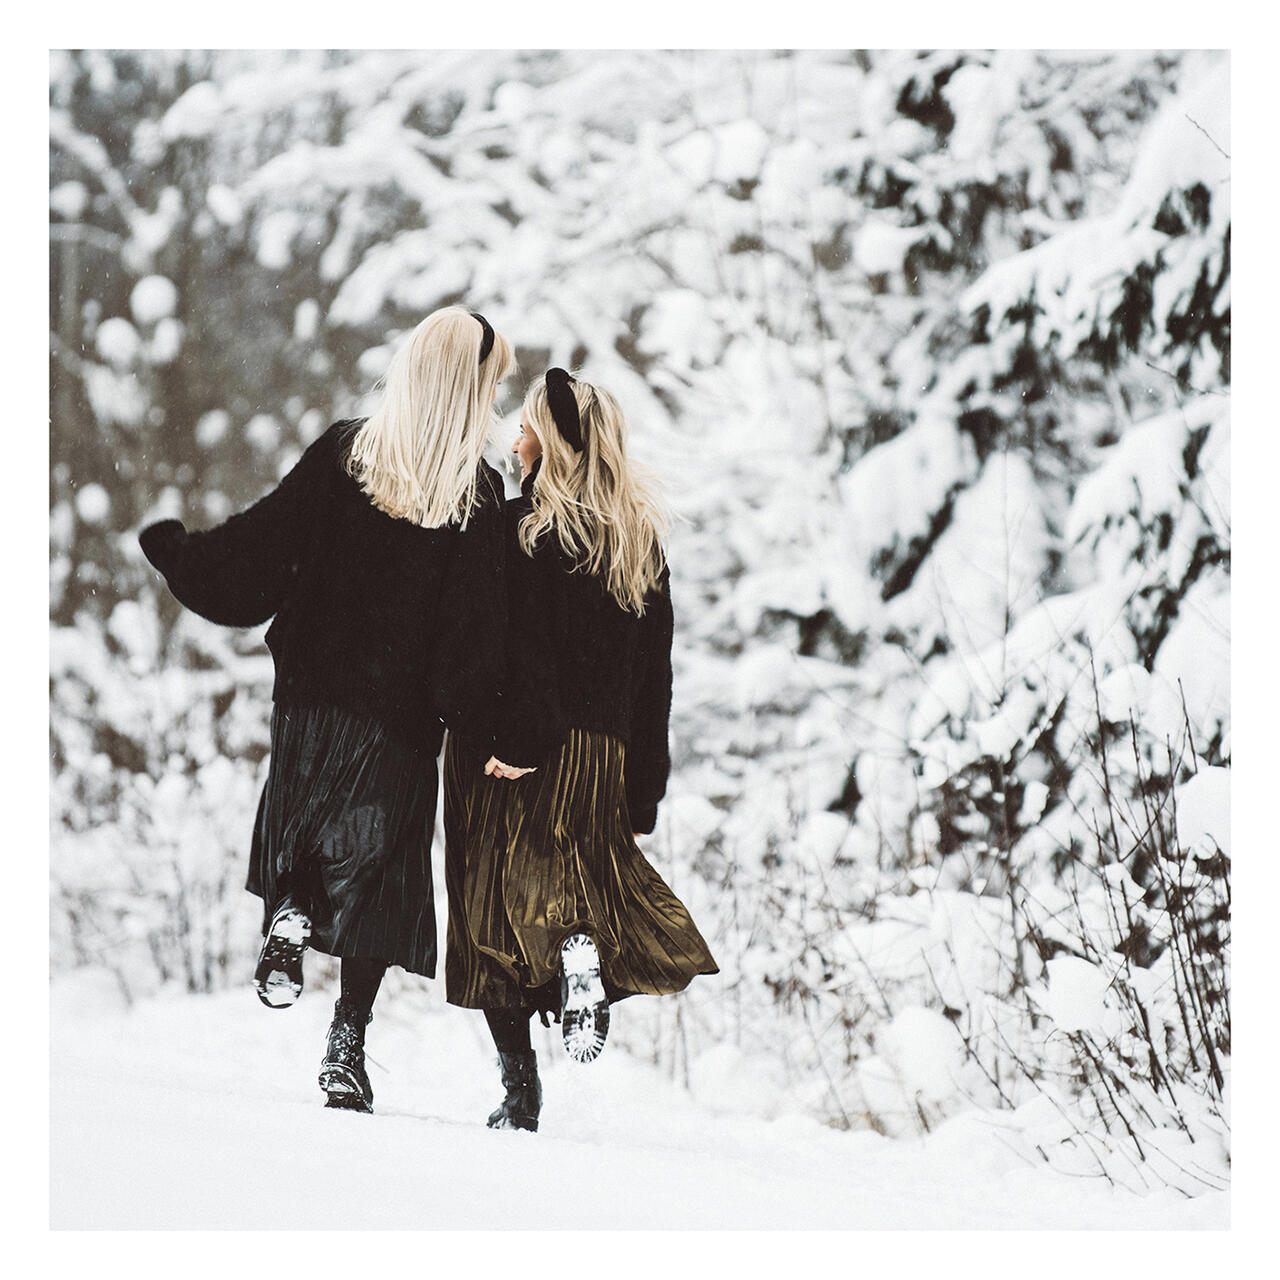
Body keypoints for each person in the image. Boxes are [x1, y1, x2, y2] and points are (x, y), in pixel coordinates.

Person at [139, 307, 531, 1113]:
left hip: (311, 695)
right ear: (471, 389)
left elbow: (265, 543)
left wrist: (186, 556)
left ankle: (290, 911)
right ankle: (346, 1040)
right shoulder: (477, 497)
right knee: (378, 877)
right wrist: (493, 726)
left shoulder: (345, 453)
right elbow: (474, 639)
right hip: (398, 716)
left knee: (308, 831)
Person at [443, 367, 718, 1133]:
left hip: (514, 749)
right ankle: (578, 951)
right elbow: (653, 680)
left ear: (555, 443)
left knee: (489, 916)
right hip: (601, 757)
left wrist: (517, 738)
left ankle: (520, 1088)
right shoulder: (636, 543)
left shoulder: (520, 530)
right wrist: (643, 789)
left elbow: (523, 651)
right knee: (570, 886)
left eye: (526, 427)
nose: (514, 439)